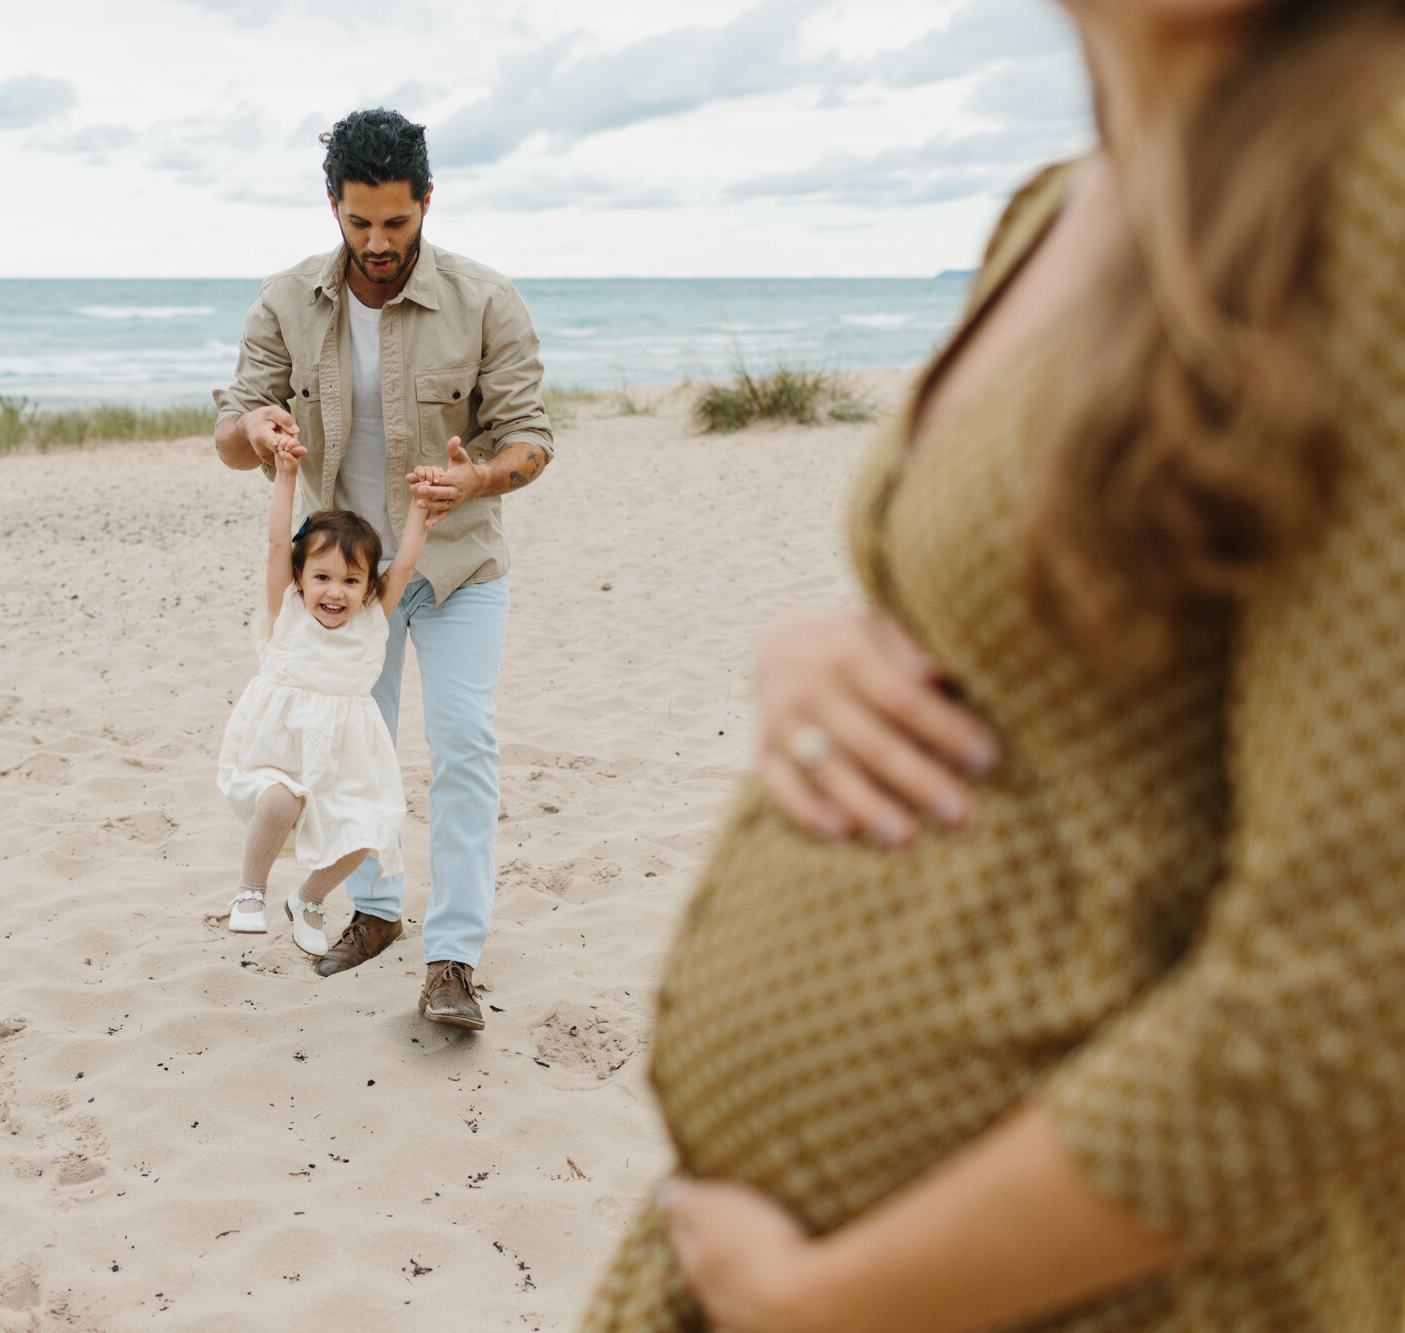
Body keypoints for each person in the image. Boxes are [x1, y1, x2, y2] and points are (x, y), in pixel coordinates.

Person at [585, 1, 1405, 1329]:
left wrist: (833, 1302)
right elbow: (1022, 644)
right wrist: (814, 656)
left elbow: (1350, 996)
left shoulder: (1372, 182)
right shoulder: (1060, 204)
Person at [212, 108, 553, 1030]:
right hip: (345, 592)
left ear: (427, 202)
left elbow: (532, 441)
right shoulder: (285, 301)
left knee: (465, 748)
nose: (376, 243)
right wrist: (254, 429)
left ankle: (453, 957)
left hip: (460, 568)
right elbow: (231, 430)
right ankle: (373, 910)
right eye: (358, 222)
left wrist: (476, 474)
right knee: (349, 761)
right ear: (333, 204)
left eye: (396, 223)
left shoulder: (487, 299)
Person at [217, 440, 444, 956]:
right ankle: (251, 891)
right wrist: (287, 474)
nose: (334, 592)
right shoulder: (288, 611)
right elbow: (279, 542)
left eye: (350, 580)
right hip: (278, 749)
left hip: (342, 755)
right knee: (279, 798)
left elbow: (403, 567)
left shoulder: (369, 621)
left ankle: (309, 899)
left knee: (369, 830)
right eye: (321, 577)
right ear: (300, 578)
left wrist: (419, 513)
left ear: (368, 588)